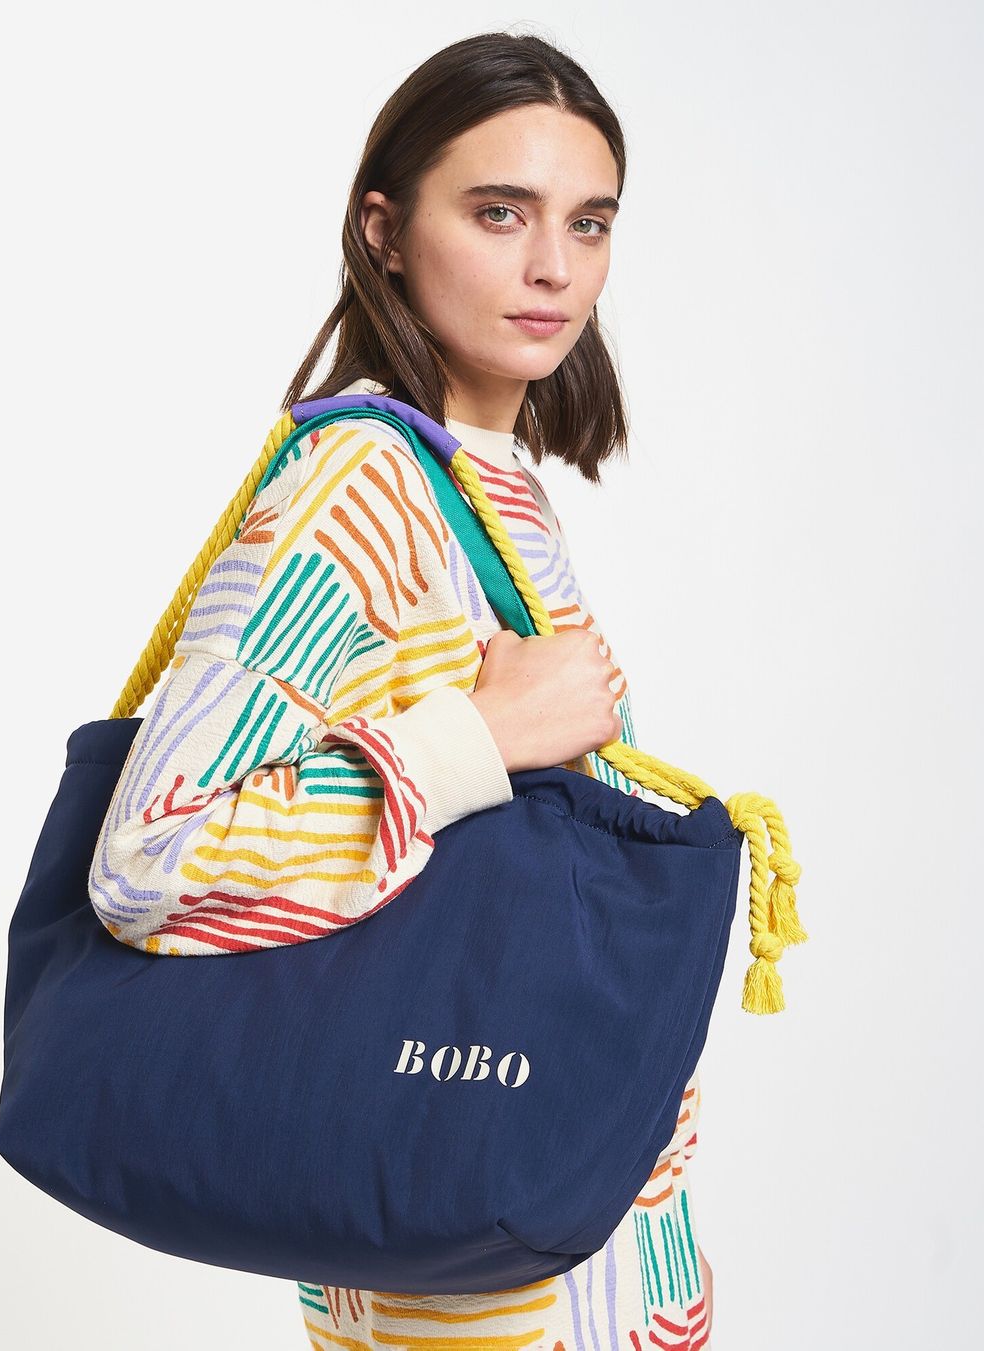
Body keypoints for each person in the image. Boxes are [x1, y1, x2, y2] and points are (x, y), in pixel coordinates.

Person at [88, 29, 714, 1349]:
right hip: (469, 1296)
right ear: (383, 229)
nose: (555, 268)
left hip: (570, 1256)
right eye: (500, 213)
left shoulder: (487, 482)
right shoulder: (362, 486)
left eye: (589, 223)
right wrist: (476, 737)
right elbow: (152, 857)